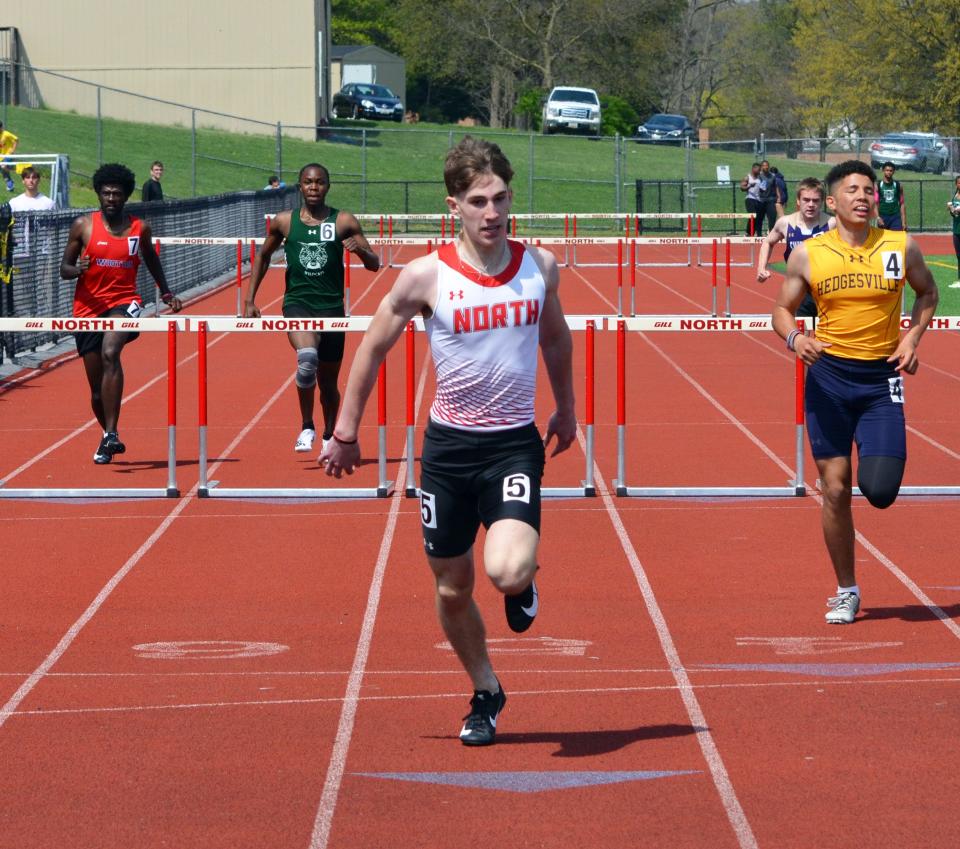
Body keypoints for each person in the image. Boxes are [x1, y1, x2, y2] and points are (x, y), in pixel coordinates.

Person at [320, 137, 576, 746]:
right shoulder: (425, 275)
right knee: (452, 586)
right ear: (454, 205)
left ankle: (524, 581)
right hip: (447, 452)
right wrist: (345, 431)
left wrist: (566, 408)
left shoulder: (539, 267)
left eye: (503, 199)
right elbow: (373, 347)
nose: (494, 213)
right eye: (479, 201)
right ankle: (486, 689)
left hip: (512, 444)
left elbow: (557, 340)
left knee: (507, 571)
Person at [772, 160, 938, 625]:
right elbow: (781, 310)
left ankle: (851, 572)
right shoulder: (809, 253)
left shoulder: (900, 246)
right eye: (853, 190)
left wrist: (911, 337)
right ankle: (846, 589)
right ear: (832, 201)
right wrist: (796, 339)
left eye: (868, 189)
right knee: (835, 488)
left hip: (880, 381)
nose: (864, 196)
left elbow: (928, 294)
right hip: (827, 379)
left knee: (880, 490)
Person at [244, 163, 380, 455]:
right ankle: (307, 425)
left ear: (328, 186)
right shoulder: (285, 222)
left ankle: (330, 433)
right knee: (307, 360)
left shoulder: (343, 221)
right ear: (300, 187)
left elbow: (374, 264)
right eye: (308, 182)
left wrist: (361, 251)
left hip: (332, 308)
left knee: (328, 384)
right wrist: (249, 300)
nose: (314, 187)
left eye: (320, 182)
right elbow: (263, 256)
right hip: (298, 303)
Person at [59, 163, 183, 464]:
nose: (111, 198)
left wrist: (165, 292)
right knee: (96, 390)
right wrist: (79, 270)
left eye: (116, 193)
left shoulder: (140, 228)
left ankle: (112, 432)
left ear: (125, 196)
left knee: (111, 352)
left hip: (125, 302)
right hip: (88, 309)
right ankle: (107, 436)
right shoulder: (83, 226)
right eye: (106, 193)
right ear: (99, 195)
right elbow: (64, 269)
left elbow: (151, 260)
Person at [756, 176, 836, 319]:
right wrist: (761, 268)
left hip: (826, 289)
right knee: (800, 335)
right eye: (806, 200)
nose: (811, 204)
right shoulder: (785, 223)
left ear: (822, 202)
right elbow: (768, 242)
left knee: (827, 337)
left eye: (815, 200)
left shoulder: (831, 224)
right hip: (797, 288)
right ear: (798, 201)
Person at [876, 162, 906, 230]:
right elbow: (875, 203)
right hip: (883, 216)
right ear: (883, 171)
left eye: (891, 170)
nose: (889, 172)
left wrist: (904, 222)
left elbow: (902, 204)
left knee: (896, 237)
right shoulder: (878, 186)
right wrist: (878, 217)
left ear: (893, 172)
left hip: (895, 216)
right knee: (883, 238)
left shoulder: (898, 185)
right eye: (887, 170)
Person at [740, 162, 762, 235]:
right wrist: (749, 186)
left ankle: (752, 232)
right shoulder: (747, 177)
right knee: (753, 215)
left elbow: (761, 188)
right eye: (758, 170)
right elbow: (742, 188)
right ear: (753, 169)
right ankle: (748, 232)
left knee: (757, 217)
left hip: (758, 200)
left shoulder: (760, 178)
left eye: (760, 170)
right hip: (750, 199)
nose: (759, 171)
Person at [947, 175, 960, 288]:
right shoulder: (955, 196)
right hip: (956, 229)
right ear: (956, 184)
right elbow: (954, 215)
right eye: (959, 183)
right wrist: (951, 210)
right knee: (959, 256)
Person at [0, 120, 18, 192]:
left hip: (8, 154)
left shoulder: (6, 134)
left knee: (3, 166)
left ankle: (13, 168)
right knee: (3, 171)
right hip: (1, 156)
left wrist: (13, 150)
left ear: (1, 127)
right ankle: (10, 183)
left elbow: (16, 139)